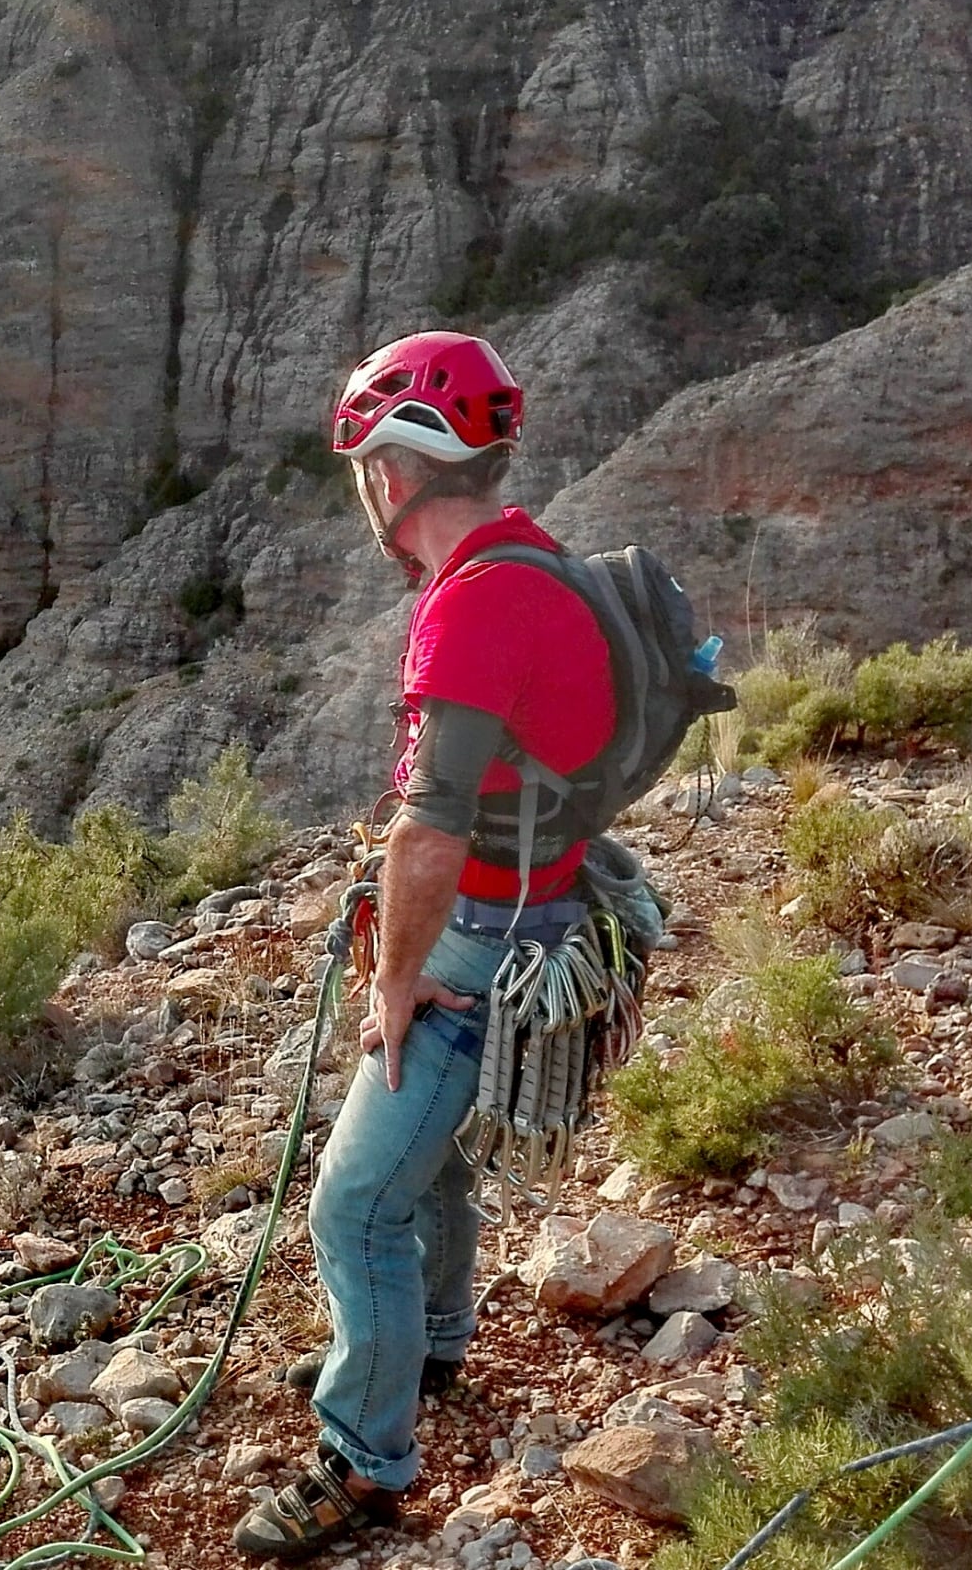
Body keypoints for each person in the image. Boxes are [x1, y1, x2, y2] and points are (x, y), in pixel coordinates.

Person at [233, 331, 647, 1559]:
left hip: (482, 935)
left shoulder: (471, 602)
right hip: (549, 912)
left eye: (367, 465)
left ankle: (364, 1460)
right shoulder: (536, 565)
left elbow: (430, 829)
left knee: (352, 1202)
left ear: (394, 471)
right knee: (439, 1158)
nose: (367, 487)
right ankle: (438, 1344)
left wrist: (393, 983)